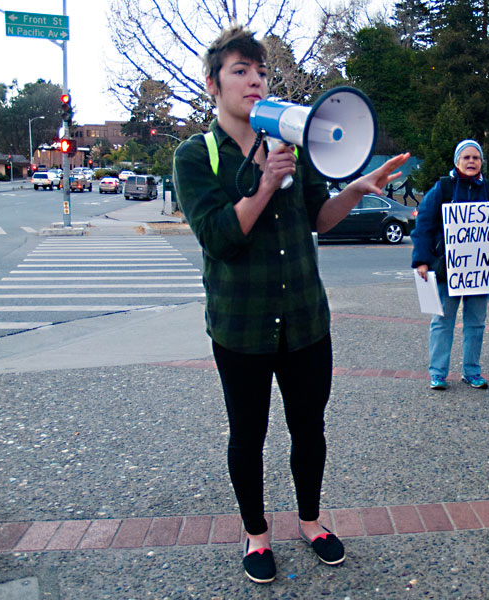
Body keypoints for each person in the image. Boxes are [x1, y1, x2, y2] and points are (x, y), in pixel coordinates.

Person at [173, 25, 407, 584]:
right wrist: (262, 183)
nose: (254, 81)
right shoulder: (196, 156)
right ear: (213, 84)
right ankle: (256, 535)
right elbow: (220, 239)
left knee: (310, 426)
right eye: (240, 72)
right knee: (247, 433)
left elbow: (317, 222)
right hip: (241, 326)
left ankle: (311, 520)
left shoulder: (292, 144)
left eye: (260, 73)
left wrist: (354, 190)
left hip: (305, 320)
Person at [411, 140, 489, 391]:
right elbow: (423, 225)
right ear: (457, 161)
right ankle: (438, 373)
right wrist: (422, 261)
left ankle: (471, 371)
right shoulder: (442, 188)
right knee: (442, 321)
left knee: (476, 322)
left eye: (475, 158)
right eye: (466, 157)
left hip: (482, 270)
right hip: (448, 269)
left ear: (481, 163)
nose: (471, 162)